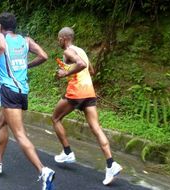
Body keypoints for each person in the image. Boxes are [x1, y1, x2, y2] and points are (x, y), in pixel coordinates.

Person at [0, 12, 55, 190]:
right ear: (14, 26)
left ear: (0, 26)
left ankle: (43, 171)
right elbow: (44, 56)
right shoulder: (25, 40)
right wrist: (26, 65)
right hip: (22, 91)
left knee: (20, 134)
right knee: (1, 122)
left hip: (9, 90)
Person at [51, 27, 122, 186]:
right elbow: (91, 69)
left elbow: (81, 65)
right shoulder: (80, 50)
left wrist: (65, 73)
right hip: (89, 92)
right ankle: (111, 164)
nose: (58, 41)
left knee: (55, 118)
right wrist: (69, 70)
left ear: (64, 38)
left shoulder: (69, 51)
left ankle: (68, 152)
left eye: (58, 38)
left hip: (76, 92)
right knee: (96, 128)